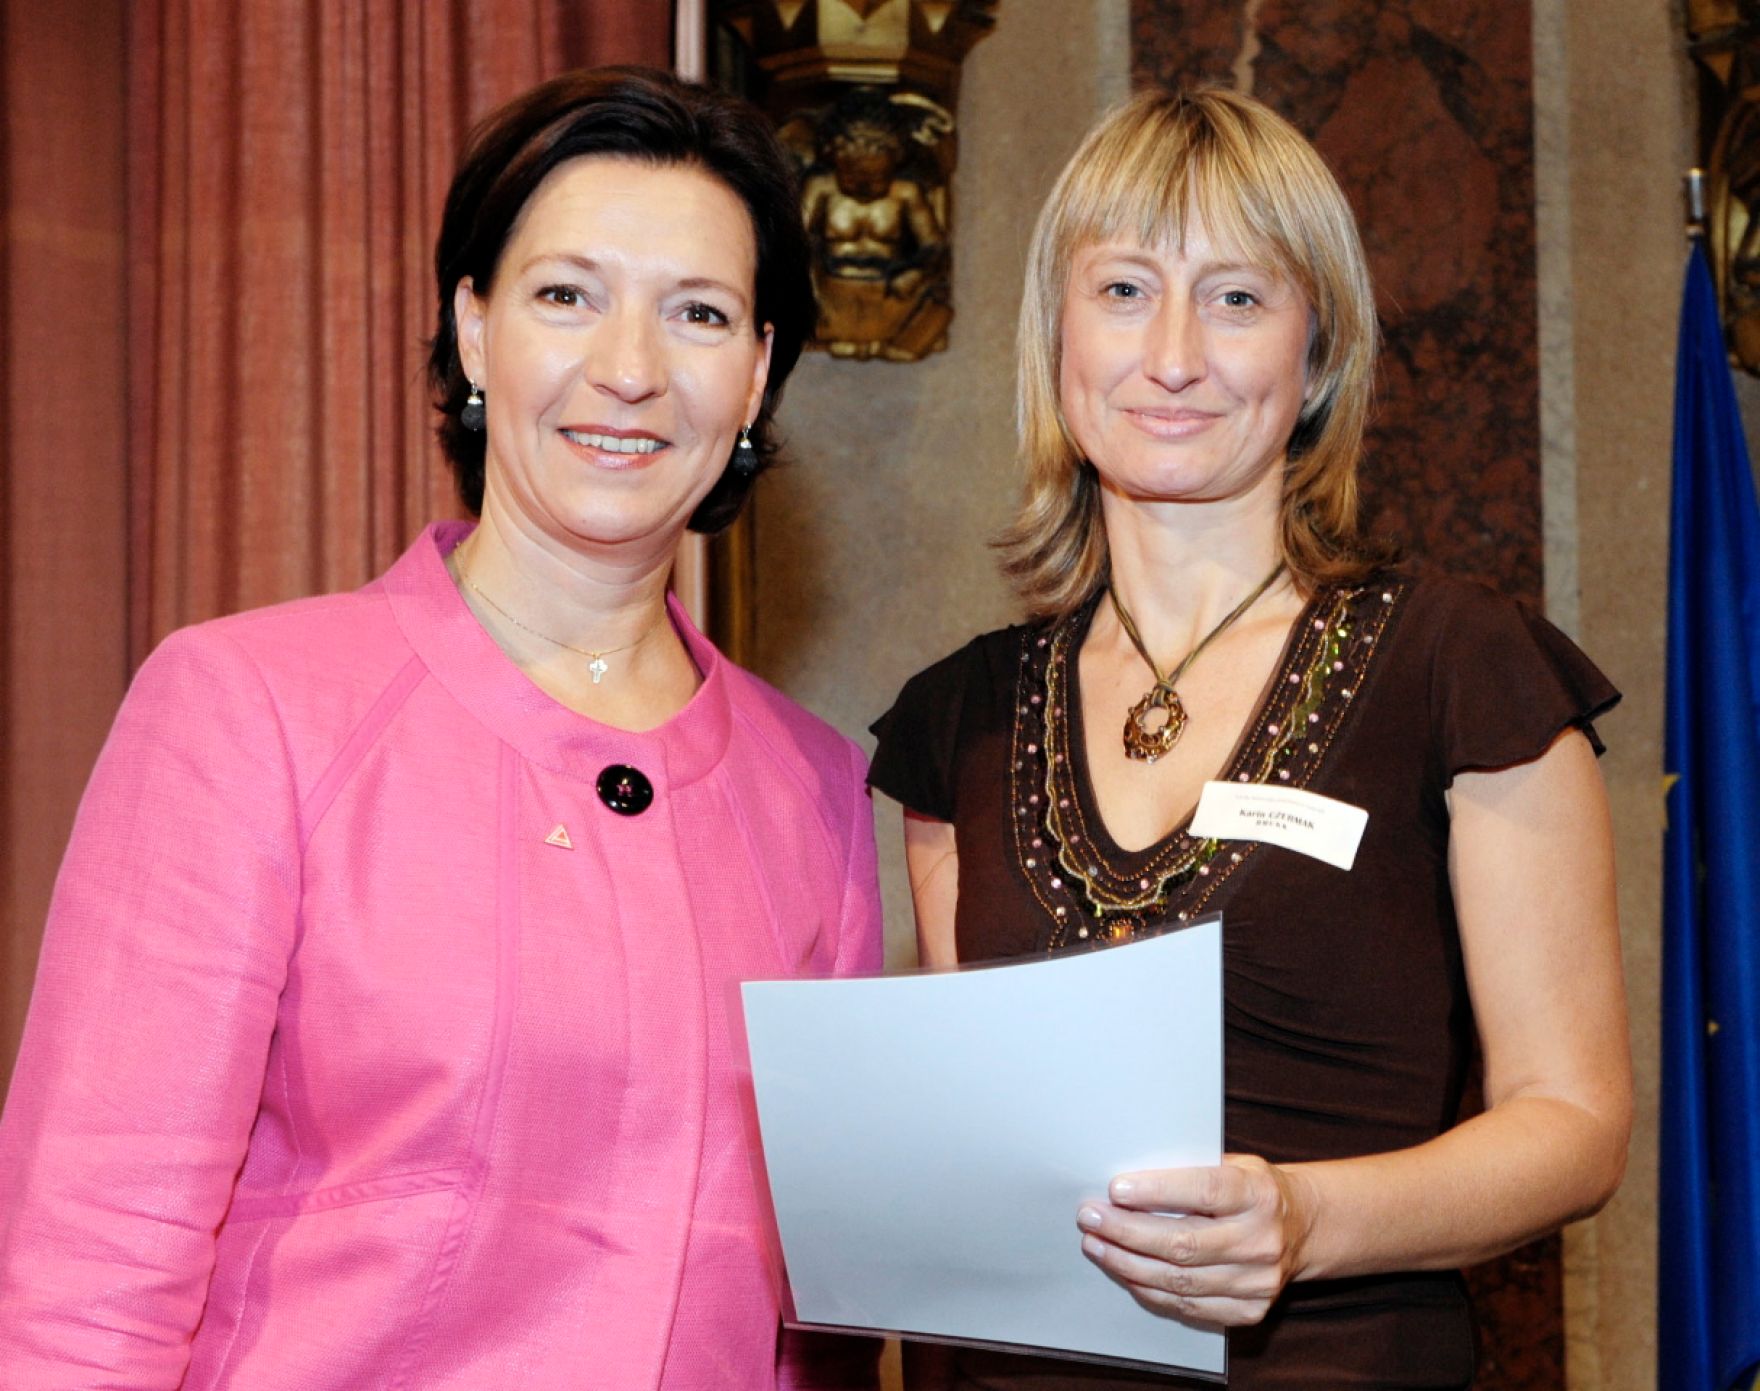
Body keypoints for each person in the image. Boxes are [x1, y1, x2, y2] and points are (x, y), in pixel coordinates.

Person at [0, 67, 880, 1390]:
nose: (629, 369)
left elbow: (820, 1317)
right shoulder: (249, 712)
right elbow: (90, 1272)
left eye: (695, 313)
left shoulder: (814, 796)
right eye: (565, 296)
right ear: (474, 330)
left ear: (756, 373)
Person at [868, 88, 1630, 1389]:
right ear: (1056, 332)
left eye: (1235, 297)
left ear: (1318, 353)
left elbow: (1573, 1126)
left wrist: (1306, 1221)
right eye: (1121, 290)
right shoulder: (961, 723)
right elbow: (975, 1147)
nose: (1172, 353)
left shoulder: (1460, 666)